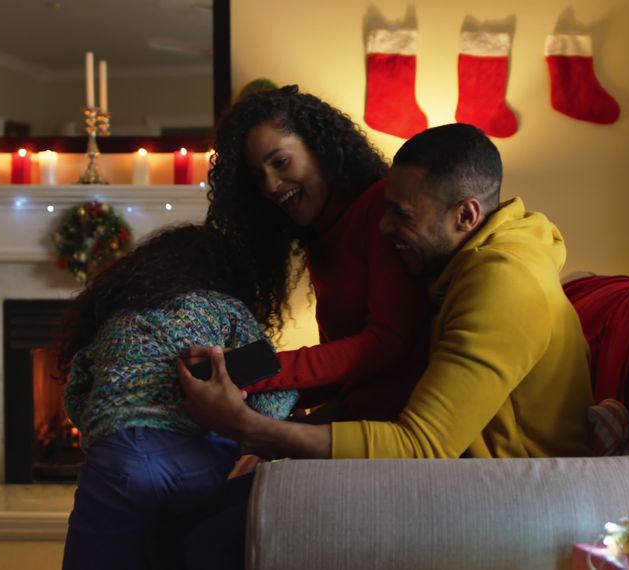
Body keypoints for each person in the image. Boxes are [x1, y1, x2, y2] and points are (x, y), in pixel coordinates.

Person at [176, 123, 594, 567]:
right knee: (208, 505)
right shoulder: (460, 267)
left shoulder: (503, 284)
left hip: (512, 502)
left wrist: (248, 426)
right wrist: (284, 435)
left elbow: (420, 447)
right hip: (466, 477)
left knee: (214, 541)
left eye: (402, 214)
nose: (383, 225)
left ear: (466, 216)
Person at [57, 224, 299, 570]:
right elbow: (275, 386)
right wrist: (254, 434)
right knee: (183, 552)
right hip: (198, 459)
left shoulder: (119, 316)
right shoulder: (225, 309)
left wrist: (107, 423)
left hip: (118, 457)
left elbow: (77, 393)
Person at [204, 84, 430, 422]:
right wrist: (236, 382)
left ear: (321, 148)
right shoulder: (320, 234)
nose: (271, 185)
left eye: (280, 162)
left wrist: (248, 369)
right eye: (257, 176)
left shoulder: (379, 210)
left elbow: (385, 342)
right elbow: (343, 370)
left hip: (400, 430)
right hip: (358, 415)